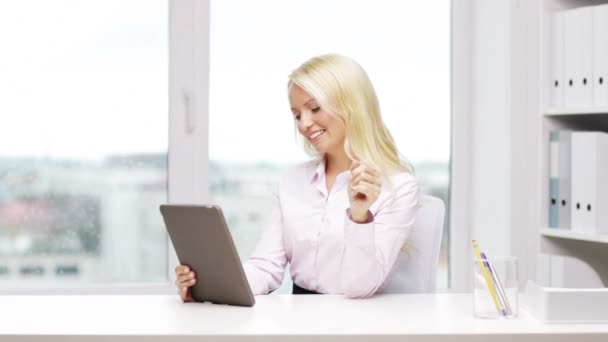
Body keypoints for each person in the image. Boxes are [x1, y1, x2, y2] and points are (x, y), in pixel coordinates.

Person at [175, 54, 419, 300]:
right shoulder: (292, 181)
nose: (304, 124)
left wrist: (360, 217)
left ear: (351, 105)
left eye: (314, 108)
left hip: (359, 323)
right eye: (297, 114)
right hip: (299, 318)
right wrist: (209, 286)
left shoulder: (398, 186)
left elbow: (360, 287)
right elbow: (266, 266)